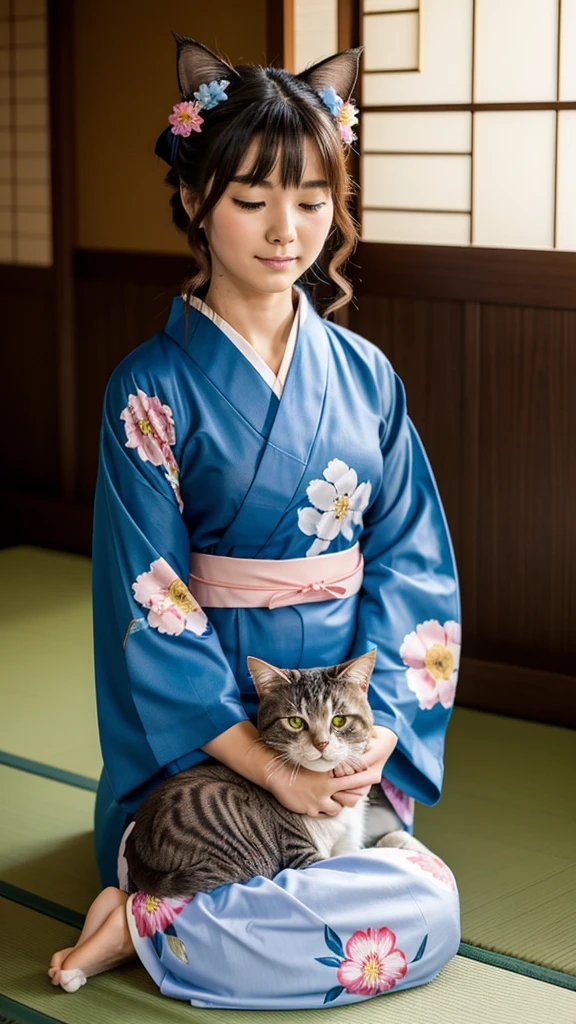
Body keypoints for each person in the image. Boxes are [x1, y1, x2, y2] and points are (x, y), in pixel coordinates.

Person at [48, 35, 462, 1008]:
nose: (287, 230)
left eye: (313, 201)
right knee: (337, 911)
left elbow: (414, 566)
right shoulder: (148, 390)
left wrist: (375, 738)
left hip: (339, 746)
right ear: (196, 200)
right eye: (251, 199)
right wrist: (261, 770)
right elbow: (150, 598)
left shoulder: (366, 378)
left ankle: (149, 915)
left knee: (432, 907)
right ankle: (163, 904)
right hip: (210, 752)